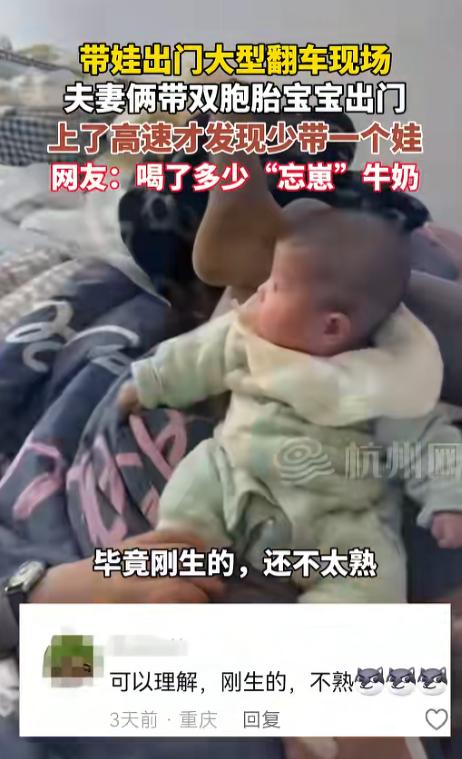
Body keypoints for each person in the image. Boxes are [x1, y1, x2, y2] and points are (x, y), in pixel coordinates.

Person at [118, 206, 462, 610]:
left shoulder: (381, 378)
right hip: (235, 478)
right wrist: (151, 383)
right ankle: (183, 561)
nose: (262, 291)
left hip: (335, 517)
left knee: (371, 577)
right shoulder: (248, 335)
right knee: (195, 484)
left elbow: (425, 441)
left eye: (278, 285)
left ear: (331, 326)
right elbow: (195, 356)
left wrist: (449, 500)